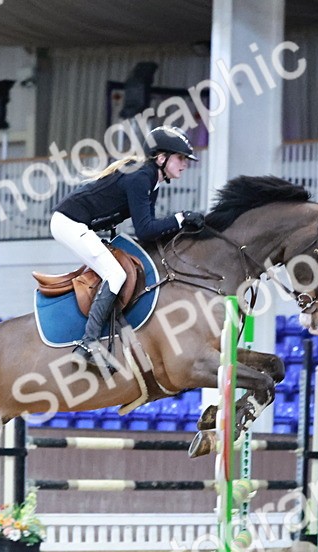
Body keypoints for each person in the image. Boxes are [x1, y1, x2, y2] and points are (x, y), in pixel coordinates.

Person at [50, 125, 206, 369]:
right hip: (68, 223)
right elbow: (145, 229)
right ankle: (88, 343)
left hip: (78, 224)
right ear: (161, 158)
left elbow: (148, 231)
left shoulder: (151, 180)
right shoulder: (140, 177)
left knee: (118, 271)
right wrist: (180, 219)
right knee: (115, 274)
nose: (185, 164)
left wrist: (182, 228)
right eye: (180, 158)